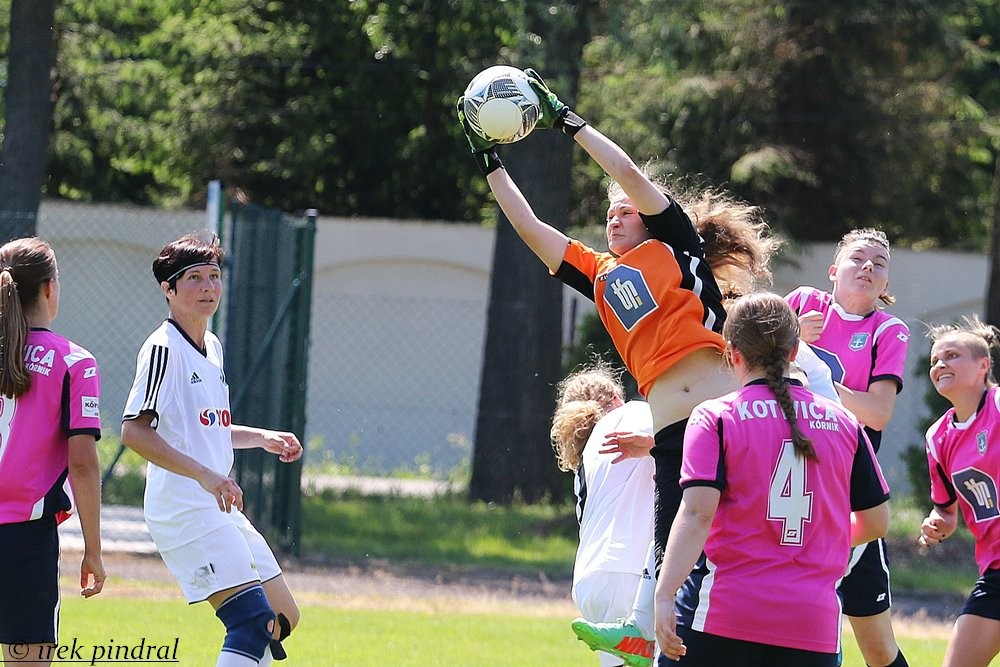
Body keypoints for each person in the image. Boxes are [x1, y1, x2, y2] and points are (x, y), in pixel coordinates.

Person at [457, 65, 778, 588]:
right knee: (675, 552)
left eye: (625, 211)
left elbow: (626, 171)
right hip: (671, 423)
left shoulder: (674, 241)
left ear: (649, 216)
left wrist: (566, 120)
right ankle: (650, 625)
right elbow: (529, 227)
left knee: (746, 535)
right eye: (609, 213)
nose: (614, 217)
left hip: (725, 405)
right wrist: (487, 160)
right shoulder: (598, 273)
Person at [653, 292, 890, 666]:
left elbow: (697, 514)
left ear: (732, 353)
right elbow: (877, 522)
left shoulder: (715, 416)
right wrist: (818, 540)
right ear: (794, 351)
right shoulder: (845, 422)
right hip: (812, 624)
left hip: (723, 614)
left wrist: (664, 593)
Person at [121, 232, 302, 666]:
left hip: (217, 505)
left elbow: (206, 429)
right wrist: (206, 475)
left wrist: (261, 437)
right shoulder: (163, 349)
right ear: (168, 289)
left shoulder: (213, 346)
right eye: (195, 278)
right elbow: (134, 431)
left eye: (214, 276)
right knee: (252, 622)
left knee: (281, 617)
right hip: (184, 508)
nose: (208, 287)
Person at [785, 228, 910, 667]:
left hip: (848, 487)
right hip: (787, 474)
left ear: (886, 282)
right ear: (833, 271)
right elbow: (745, 357)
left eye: (880, 262)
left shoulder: (887, 329)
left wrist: (819, 380)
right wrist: (789, 337)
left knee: (877, 648)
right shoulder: (803, 302)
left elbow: (877, 413)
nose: (869, 267)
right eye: (858, 258)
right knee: (800, 615)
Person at [0, 237, 105, 666]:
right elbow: (82, 464)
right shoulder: (75, 363)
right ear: (49, 288)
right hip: (24, 540)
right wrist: (93, 550)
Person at [550, 364, 656, 667]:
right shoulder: (631, 415)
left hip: (590, 581)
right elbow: (683, 434)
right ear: (615, 398)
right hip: (632, 574)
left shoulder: (585, 460)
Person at [920, 316, 1000, 667]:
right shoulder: (938, 437)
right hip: (995, 571)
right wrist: (937, 522)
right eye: (935, 360)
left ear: (983, 366)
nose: (940, 365)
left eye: (952, 356)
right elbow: (946, 510)